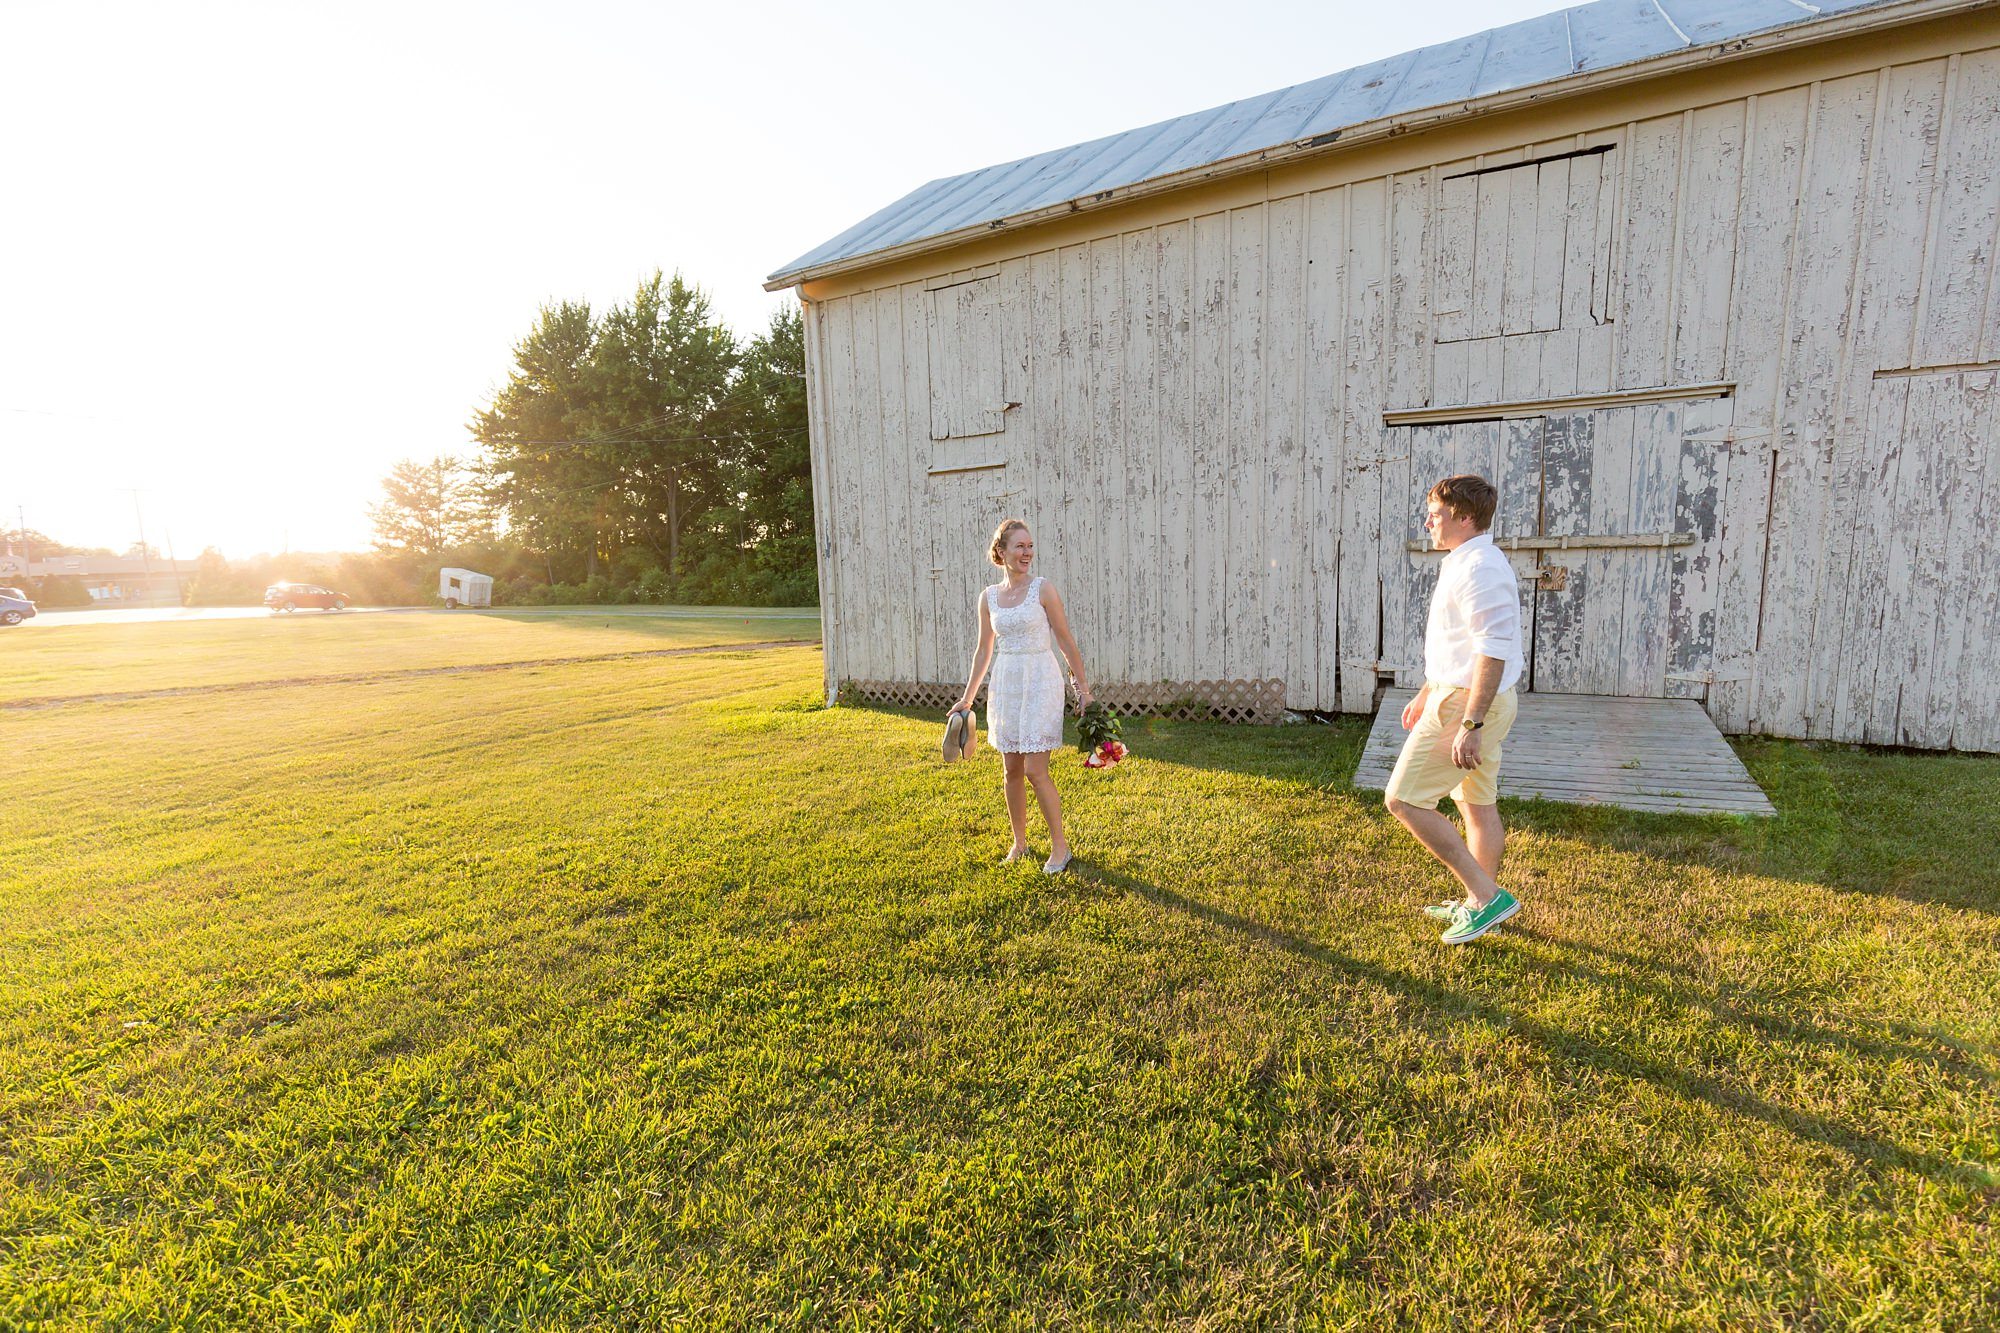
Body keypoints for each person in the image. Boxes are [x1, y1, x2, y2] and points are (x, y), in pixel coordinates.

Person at [1384, 474, 1526, 944]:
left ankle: (1487, 898)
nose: (1428, 521)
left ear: (1465, 518)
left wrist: (1471, 722)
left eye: (1438, 514)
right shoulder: (1464, 559)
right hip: (1460, 695)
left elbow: (1492, 650)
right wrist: (1428, 689)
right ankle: (1476, 902)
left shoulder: (1480, 567)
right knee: (1476, 804)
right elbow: (1462, 645)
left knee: (1404, 799)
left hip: (1469, 703)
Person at [949, 519, 1091, 874]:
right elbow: (983, 650)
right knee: (1011, 769)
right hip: (1007, 682)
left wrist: (1083, 689)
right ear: (1001, 552)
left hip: (1040, 680)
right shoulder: (989, 597)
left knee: (1034, 769)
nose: (1027, 552)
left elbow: (1065, 639)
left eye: (1030, 546)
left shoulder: (1043, 589)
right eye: (1019, 546)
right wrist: (968, 698)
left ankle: (1060, 848)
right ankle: (1020, 843)